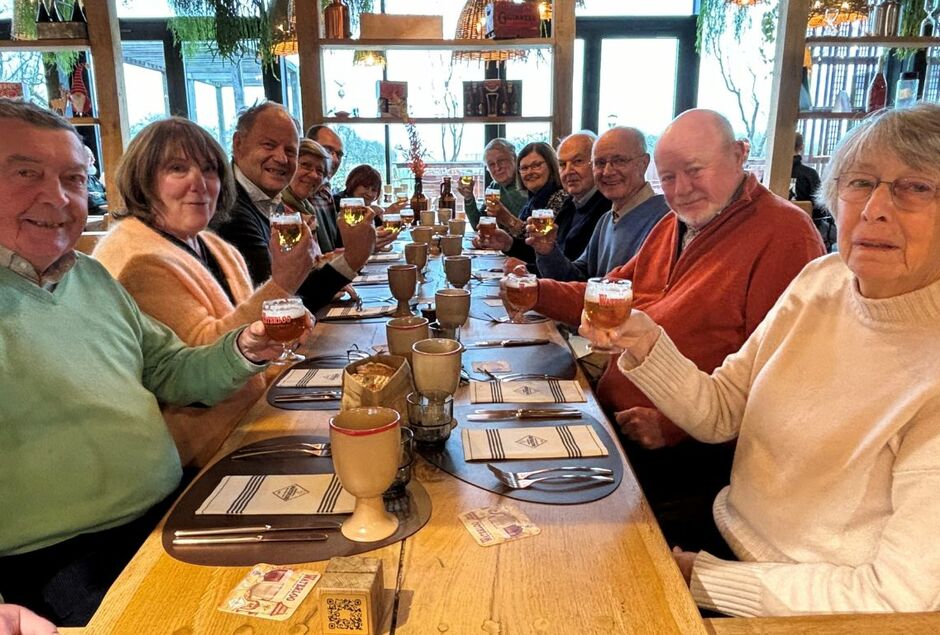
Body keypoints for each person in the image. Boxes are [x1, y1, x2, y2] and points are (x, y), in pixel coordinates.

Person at [587, 103, 940, 617]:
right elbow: (722, 410)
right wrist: (642, 340)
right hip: (722, 527)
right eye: (860, 183)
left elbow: (901, 596)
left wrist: (705, 581)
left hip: (802, 608)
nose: (874, 210)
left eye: (915, 187)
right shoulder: (824, 280)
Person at [0, 99, 295, 626]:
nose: (58, 197)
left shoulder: (89, 278)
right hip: (60, 559)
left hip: (173, 511)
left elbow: (175, 371)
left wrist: (247, 346)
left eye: (72, 177)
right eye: (27, 173)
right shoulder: (134, 256)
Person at [525, 109, 825, 552]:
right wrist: (531, 290)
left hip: (688, 460)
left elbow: (778, 379)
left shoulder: (784, 233)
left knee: (561, 537)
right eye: (669, 177)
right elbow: (607, 294)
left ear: (740, 155)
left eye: (695, 171)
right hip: (613, 421)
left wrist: (673, 425)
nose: (681, 189)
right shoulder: (675, 223)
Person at [93, 117, 316, 468]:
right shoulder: (136, 257)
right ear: (143, 179)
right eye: (178, 169)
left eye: (209, 170)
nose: (199, 183)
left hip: (252, 423)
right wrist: (281, 284)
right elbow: (200, 365)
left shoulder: (213, 245)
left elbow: (249, 351)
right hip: (203, 456)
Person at [211, 102, 375, 311]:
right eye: (269, 145)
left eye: (290, 151)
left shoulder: (272, 204)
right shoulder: (229, 211)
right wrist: (353, 258)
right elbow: (279, 305)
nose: (281, 158)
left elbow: (293, 284)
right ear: (238, 144)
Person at [532, 127, 668, 281]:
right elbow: (577, 279)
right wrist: (547, 251)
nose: (607, 172)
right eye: (600, 163)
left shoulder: (666, 219)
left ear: (644, 163)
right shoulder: (605, 220)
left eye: (619, 161)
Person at [472, 142, 566, 269]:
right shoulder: (534, 199)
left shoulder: (560, 197)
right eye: (524, 168)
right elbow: (530, 248)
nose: (530, 172)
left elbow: (551, 255)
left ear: (552, 165)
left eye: (537, 165)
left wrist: (507, 219)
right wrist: (507, 243)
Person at [456, 138, 527, 229]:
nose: (497, 168)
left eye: (501, 161)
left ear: (515, 159)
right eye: (491, 164)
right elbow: (479, 225)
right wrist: (469, 197)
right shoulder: (494, 187)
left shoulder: (528, 183)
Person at [281, 138, 336, 252]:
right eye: (306, 165)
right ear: (288, 166)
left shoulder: (306, 209)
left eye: (320, 171)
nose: (314, 175)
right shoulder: (279, 212)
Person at [792, 131, 837, 252]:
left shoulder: (770, 173)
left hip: (775, 228)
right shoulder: (809, 174)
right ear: (801, 147)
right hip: (808, 229)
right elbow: (820, 208)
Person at [305, 124, 345, 247]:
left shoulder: (325, 191)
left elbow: (333, 247)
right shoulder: (299, 193)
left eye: (338, 154)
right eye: (328, 150)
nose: (335, 159)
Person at [83, 145, 107, 214]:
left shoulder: (93, 179)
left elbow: (110, 194)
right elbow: (92, 202)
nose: (93, 159)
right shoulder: (76, 181)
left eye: (93, 156)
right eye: (89, 156)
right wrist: (103, 195)